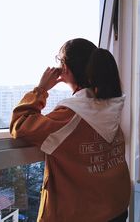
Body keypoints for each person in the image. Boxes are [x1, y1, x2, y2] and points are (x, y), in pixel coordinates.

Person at [10, 38, 131, 222]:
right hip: (117, 208)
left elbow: (20, 124)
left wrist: (41, 89)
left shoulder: (69, 116)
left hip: (82, 215)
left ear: (64, 68)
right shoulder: (110, 105)